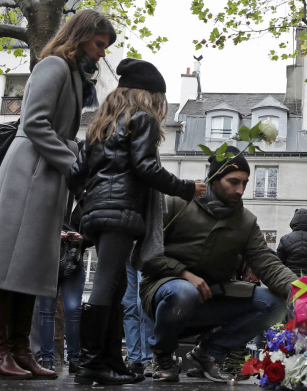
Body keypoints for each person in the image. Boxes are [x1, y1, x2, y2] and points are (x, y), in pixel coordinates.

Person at [0, 9, 116, 381]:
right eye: (99, 44)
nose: (102, 53)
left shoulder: (71, 72)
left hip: (44, 171)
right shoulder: (54, 66)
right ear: (81, 36)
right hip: (30, 170)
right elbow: (34, 123)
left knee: (30, 265)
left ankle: (19, 351)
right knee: (6, 262)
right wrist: (74, 165)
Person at [68, 58, 206, 386]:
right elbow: (146, 167)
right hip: (121, 211)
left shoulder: (100, 125)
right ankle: (91, 364)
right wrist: (186, 188)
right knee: (106, 284)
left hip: (98, 212)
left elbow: (75, 174)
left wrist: (91, 195)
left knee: (115, 285)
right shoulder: (141, 119)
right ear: (150, 95)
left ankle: (110, 361)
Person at [140, 148, 298, 383]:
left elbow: (268, 263)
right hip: (165, 294)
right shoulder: (177, 202)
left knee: (275, 303)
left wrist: (304, 291)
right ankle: (162, 355)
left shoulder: (246, 222)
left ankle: (209, 352)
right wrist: (183, 273)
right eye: (233, 182)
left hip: (212, 298)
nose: (240, 190)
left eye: (245, 183)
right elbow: (144, 253)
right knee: (183, 291)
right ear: (214, 179)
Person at [36, 202, 89, 374]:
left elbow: (94, 234)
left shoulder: (84, 202)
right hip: (48, 261)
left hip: (73, 262)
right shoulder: (49, 199)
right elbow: (33, 227)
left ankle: (75, 359)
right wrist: (52, 234)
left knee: (73, 309)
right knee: (46, 310)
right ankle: (47, 359)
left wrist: (81, 239)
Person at [121, 262, 155, 377]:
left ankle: (148, 358)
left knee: (143, 305)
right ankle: (135, 359)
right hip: (125, 255)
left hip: (143, 254)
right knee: (129, 307)